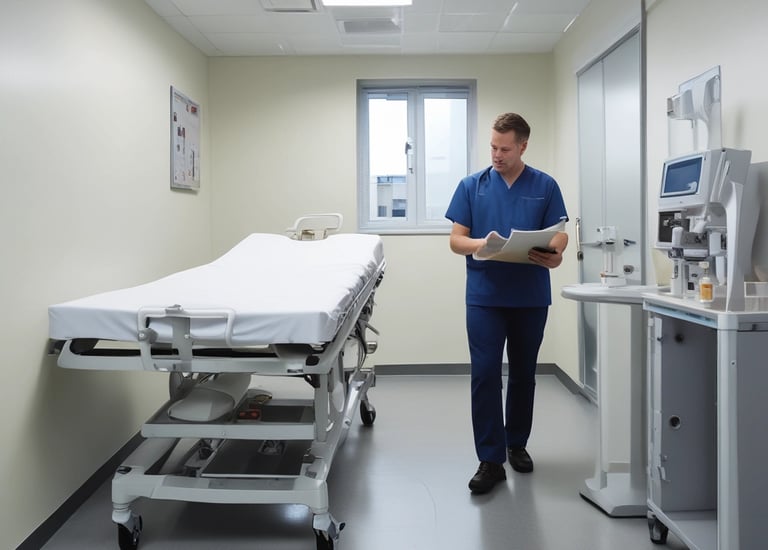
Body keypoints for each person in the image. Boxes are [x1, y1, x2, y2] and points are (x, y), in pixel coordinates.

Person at [445, 112, 569, 494]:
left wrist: (556, 255)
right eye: (493, 147)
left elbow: (559, 236)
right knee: (484, 374)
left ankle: (516, 443)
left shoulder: (545, 185)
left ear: (523, 146)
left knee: (523, 373)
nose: (497, 155)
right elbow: (456, 240)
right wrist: (484, 244)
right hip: (485, 296)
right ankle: (490, 459)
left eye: (505, 148)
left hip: (530, 296)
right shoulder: (472, 185)